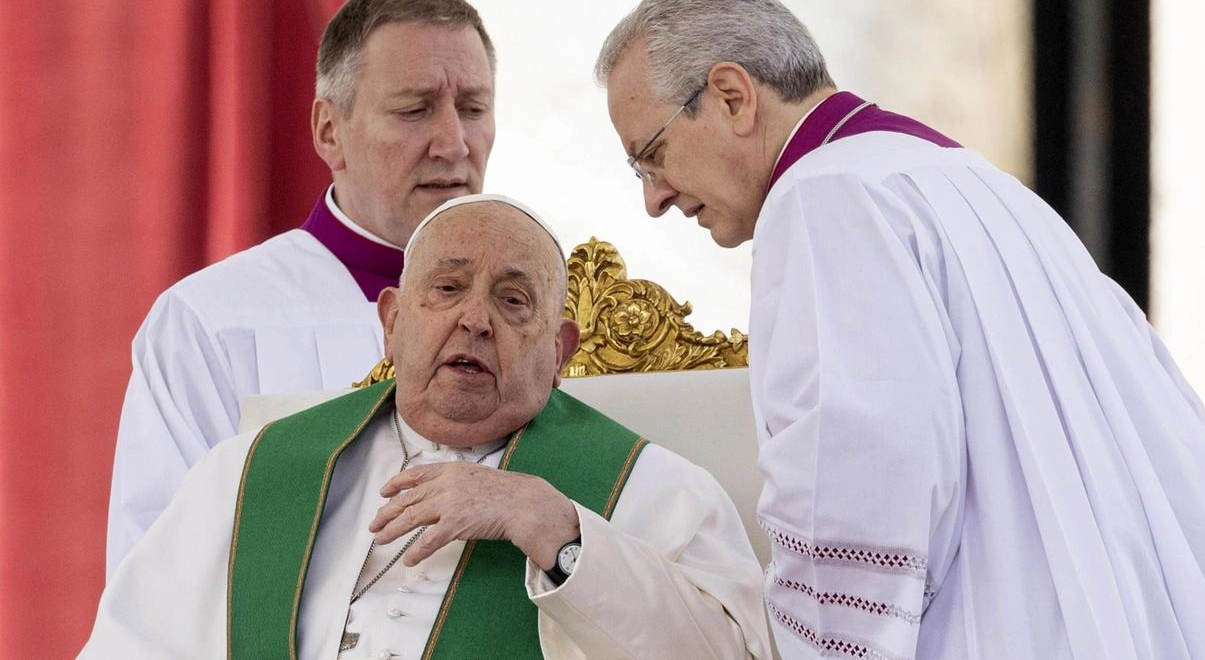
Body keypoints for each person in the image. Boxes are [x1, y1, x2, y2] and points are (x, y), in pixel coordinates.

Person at [597, 0, 1205, 659]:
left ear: (731, 96)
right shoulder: (977, 183)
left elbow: (861, 481)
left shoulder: (825, 199)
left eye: (651, 156)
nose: (654, 199)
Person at [80, 195, 769, 659]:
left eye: (513, 299)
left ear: (560, 351)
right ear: (391, 322)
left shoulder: (656, 490)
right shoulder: (252, 469)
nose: (474, 319)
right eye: (446, 288)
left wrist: (556, 530)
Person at [107, 0, 497, 576]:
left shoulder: (546, 311)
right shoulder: (212, 322)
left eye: (473, 108)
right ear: (328, 131)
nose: (453, 143)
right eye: (415, 109)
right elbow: (157, 582)